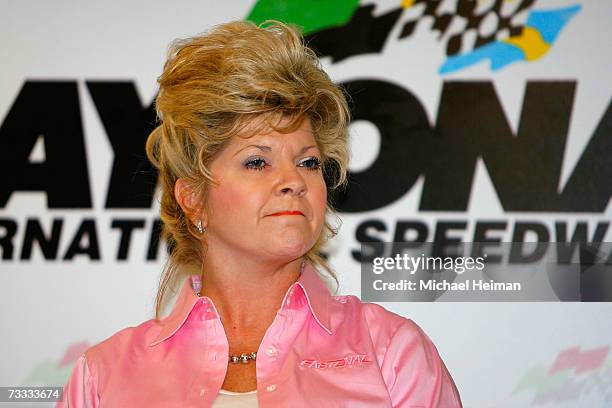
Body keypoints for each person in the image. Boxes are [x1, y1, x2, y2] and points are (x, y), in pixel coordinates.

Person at [58, 20, 462, 407]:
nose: (294, 181)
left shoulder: (393, 352)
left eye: (308, 163)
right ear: (193, 198)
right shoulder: (104, 375)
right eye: (257, 162)